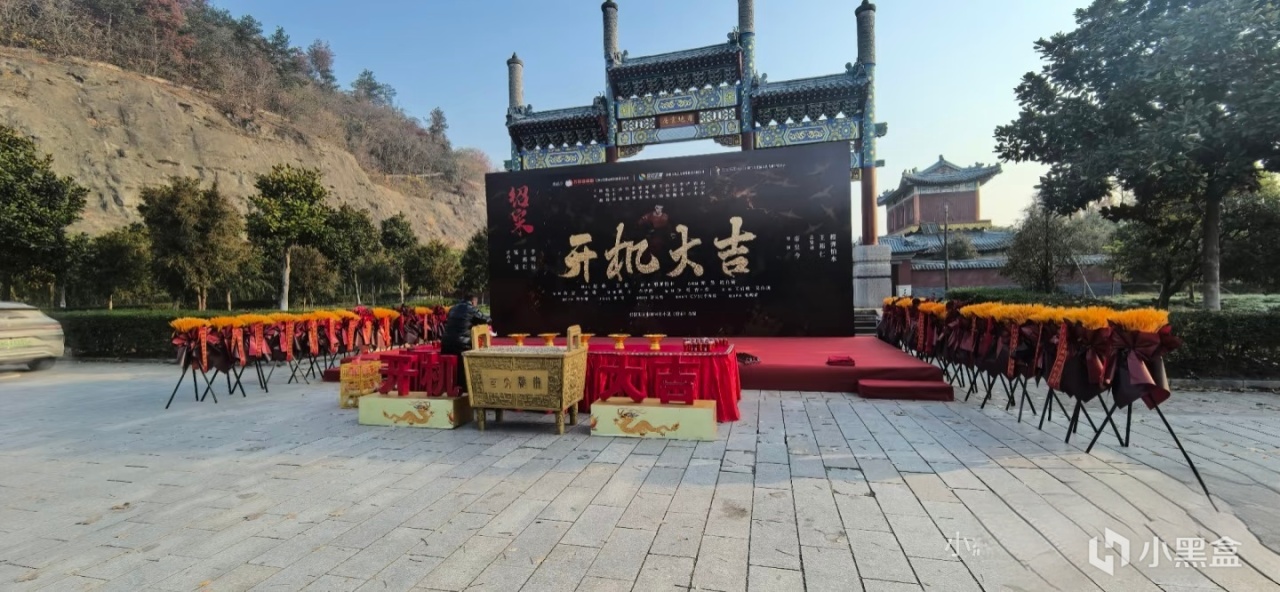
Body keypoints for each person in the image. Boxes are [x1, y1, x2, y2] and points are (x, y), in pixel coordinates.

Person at [441, 293, 491, 393]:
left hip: (446, 343)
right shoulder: (472, 309)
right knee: (465, 367)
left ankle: (449, 387)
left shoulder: (453, 309)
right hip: (462, 345)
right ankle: (465, 389)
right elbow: (486, 320)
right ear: (473, 301)